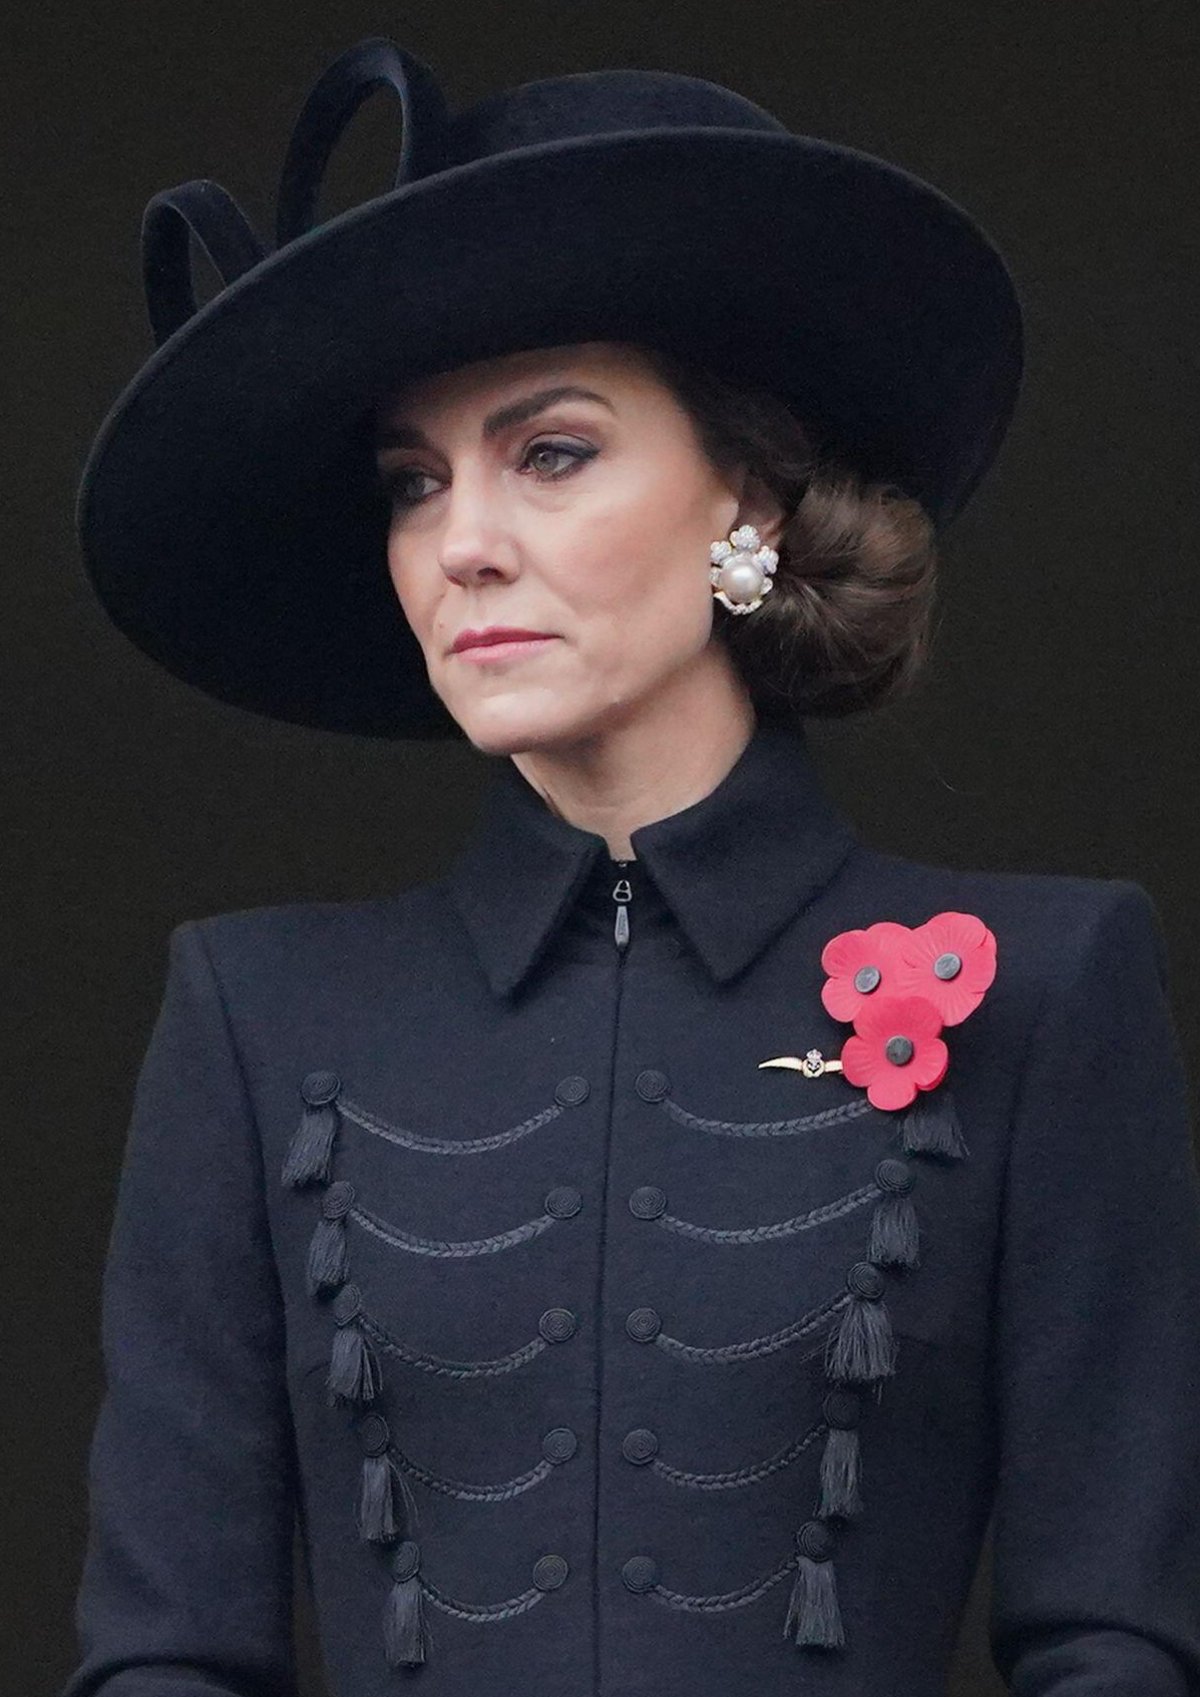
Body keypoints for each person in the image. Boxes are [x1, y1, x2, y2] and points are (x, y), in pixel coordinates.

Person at [61, 35, 1200, 1697]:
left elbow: (1116, 1635)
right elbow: (165, 1654)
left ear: (745, 494)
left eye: (553, 451)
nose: (461, 542)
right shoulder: (251, 1015)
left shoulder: (1048, 985)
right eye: (411, 481)